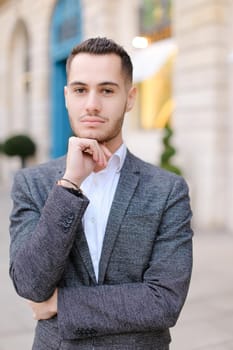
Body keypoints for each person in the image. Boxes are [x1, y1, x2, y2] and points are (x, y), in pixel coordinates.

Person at [9, 37, 193, 350]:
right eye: (80, 90)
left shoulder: (167, 189)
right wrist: (69, 184)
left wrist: (61, 304)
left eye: (107, 90)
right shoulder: (32, 183)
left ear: (130, 97)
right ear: (67, 96)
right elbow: (30, 284)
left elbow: (164, 301)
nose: (92, 103)